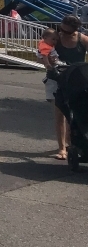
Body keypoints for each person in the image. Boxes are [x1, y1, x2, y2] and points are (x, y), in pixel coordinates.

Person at [45, 15, 88, 160]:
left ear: (75, 30)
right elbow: (42, 54)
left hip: (77, 80)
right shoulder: (55, 39)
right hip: (57, 78)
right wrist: (48, 62)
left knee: (77, 113)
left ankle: (74, 144)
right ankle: (62, 148)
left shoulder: (83, 40)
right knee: (60, 113)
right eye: (60, 29)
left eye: (66, 32)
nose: (62, 33)